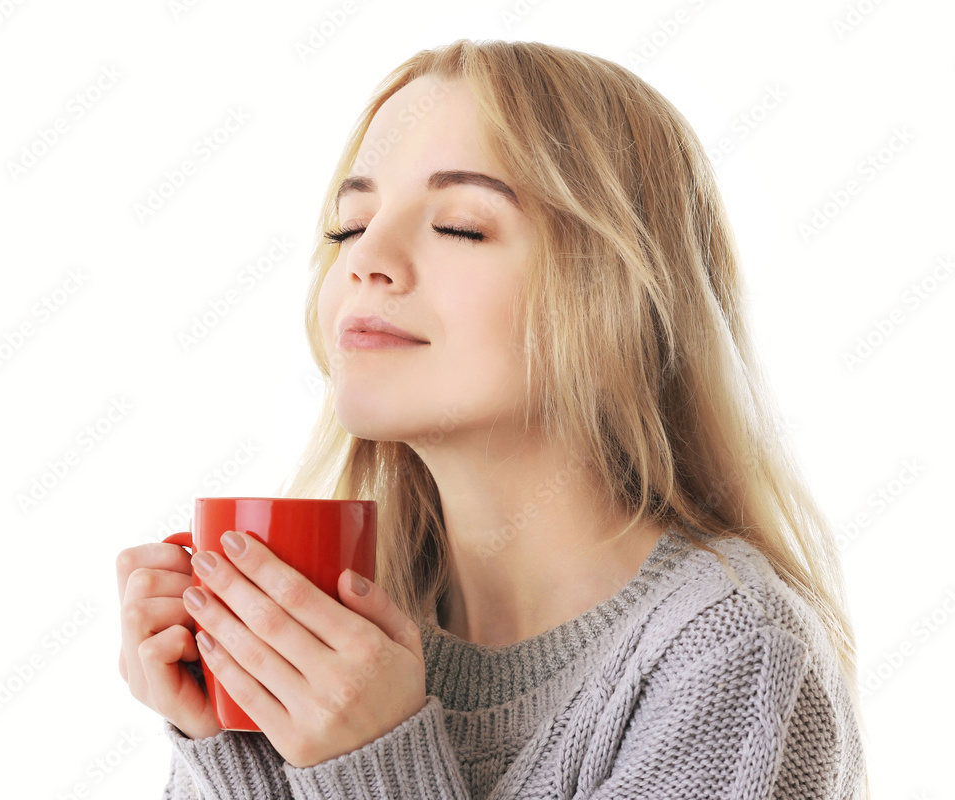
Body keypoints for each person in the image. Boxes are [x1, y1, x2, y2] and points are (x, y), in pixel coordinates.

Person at [116, 39, 870, 799]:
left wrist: (373, 759)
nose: (364, 259)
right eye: (349, 226)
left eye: (460, 226)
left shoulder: (732, 650)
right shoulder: (349, 639)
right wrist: (235, 734)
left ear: (616, 295)